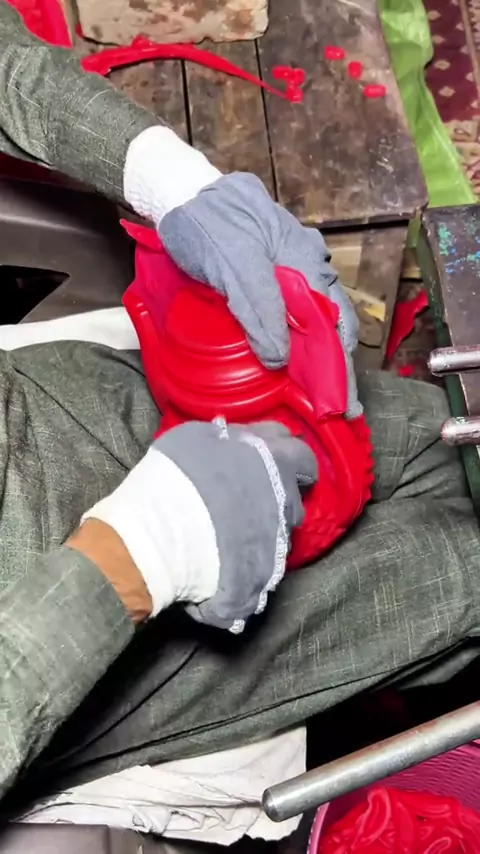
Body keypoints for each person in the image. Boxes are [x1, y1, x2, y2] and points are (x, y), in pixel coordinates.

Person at [0, 0, 479, 842]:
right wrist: (141, 553)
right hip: (78, 638)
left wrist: (165, 174)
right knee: (457, 584)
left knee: (436, 430)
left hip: (50, 410)